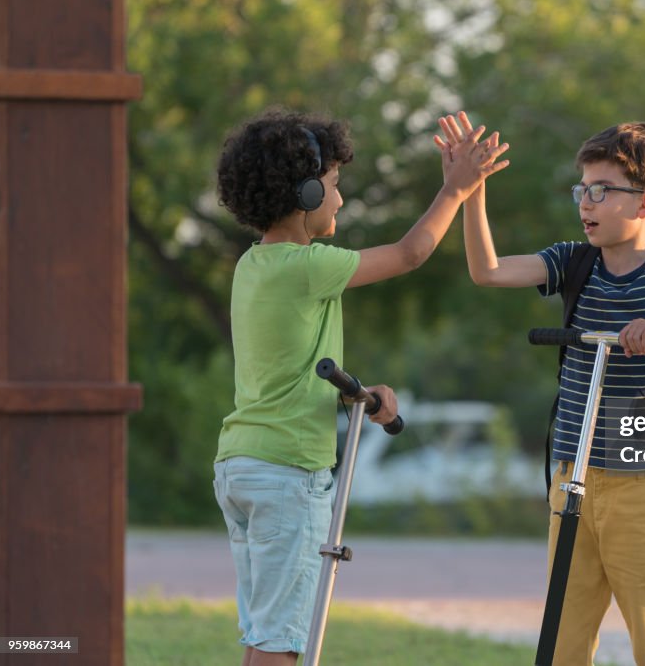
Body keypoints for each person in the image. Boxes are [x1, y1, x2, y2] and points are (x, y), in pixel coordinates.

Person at [437, 113, 645, 665]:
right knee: (563, 646)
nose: (585, 202)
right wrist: (471, 191)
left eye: (602, 190)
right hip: (573, 473)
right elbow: (487, 271)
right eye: (582, 189)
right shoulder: (572, 262)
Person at [213, 107, 508, 666]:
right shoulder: (307, 267)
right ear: (303, 194)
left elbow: (291, 368)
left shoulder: (254, 266)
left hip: (242, 465)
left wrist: (359, 393)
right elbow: (410, 253)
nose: (341, 200)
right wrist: (456, 189)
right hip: (287, 474)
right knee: (279, 645)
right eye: (333, 185)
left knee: (263, 635)